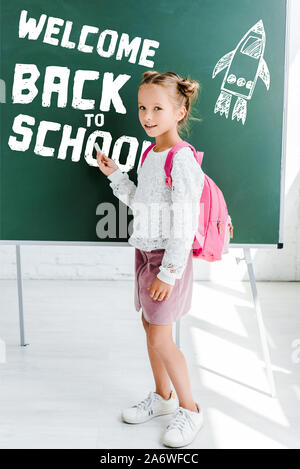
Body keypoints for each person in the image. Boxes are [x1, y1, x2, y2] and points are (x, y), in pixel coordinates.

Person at [97, 71, 205, 448]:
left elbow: (185, 222)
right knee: (151, 330)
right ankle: (162, 398)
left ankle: (190, 410)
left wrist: (169, 272)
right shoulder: (151, 153)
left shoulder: (182, 160)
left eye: (158, 107)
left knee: (161, 337)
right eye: (142, 107)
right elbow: (144, 204)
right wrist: (116, 177)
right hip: (145, 253)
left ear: (180, 111)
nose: (147, 115)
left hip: (165, 260)